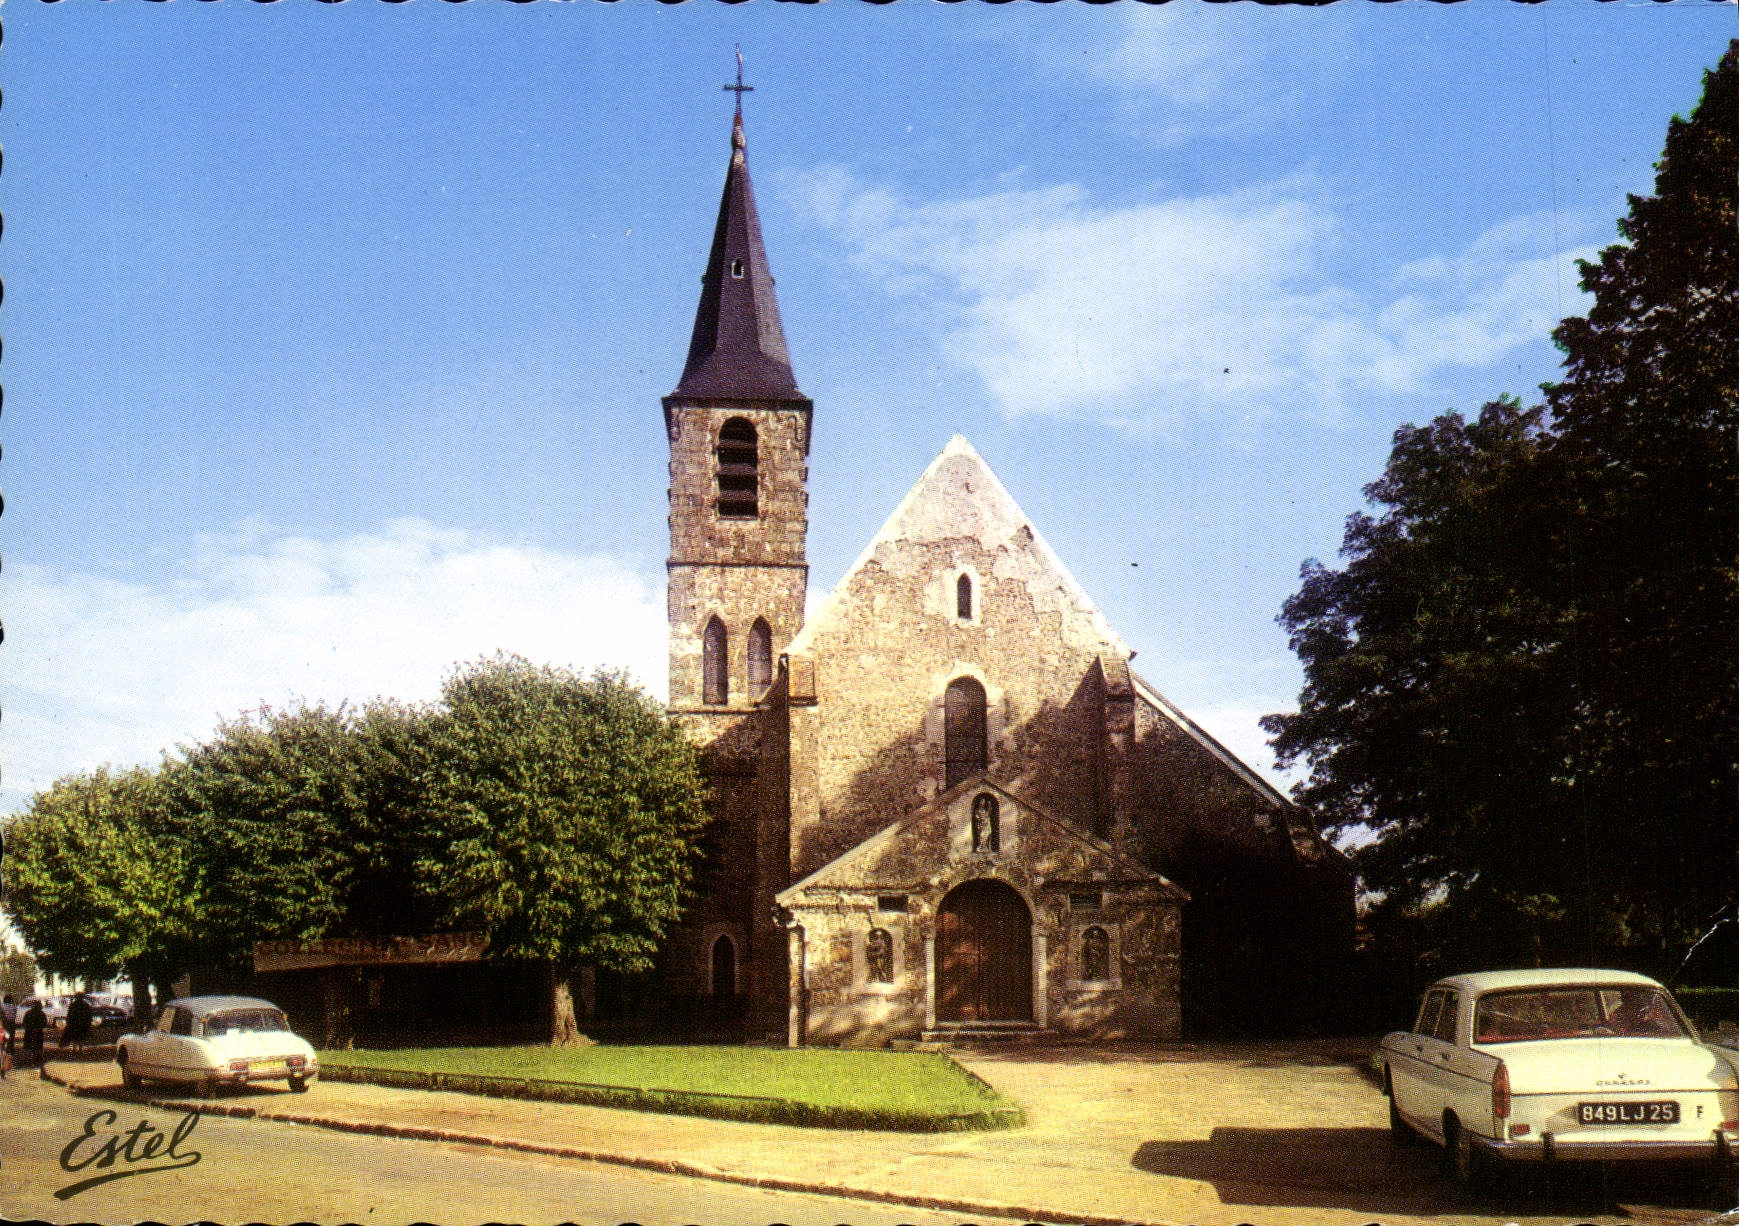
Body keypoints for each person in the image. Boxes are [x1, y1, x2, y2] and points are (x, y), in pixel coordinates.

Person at [21, 999, 47, 1069]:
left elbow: (24, 1023)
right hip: (38, 1032)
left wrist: (29, 1028)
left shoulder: (28, 1013)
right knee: (38, 1047)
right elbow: (44, 1023)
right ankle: (39, 1061)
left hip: (29, 1032)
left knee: (30, 1047)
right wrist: (38, 1028)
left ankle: (32, 1061)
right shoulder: (42, 1013)